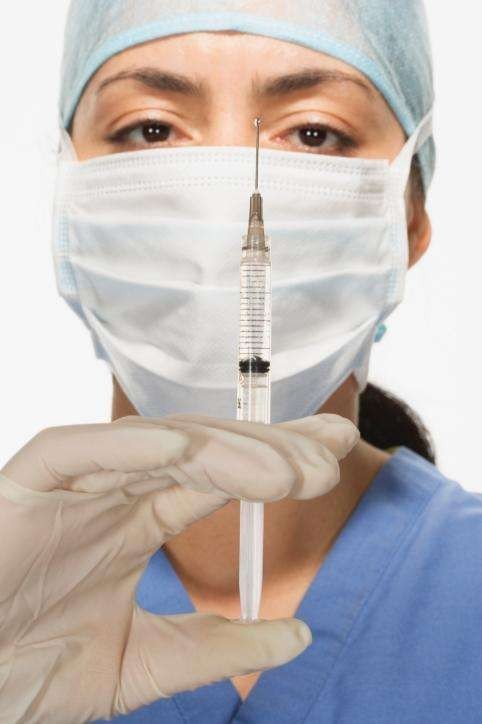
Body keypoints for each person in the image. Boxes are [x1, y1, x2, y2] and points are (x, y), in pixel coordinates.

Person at [1, 1, 481, 723]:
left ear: (407, 221)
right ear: (66, 204)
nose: (225, 207)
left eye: (314, 133)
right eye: (151, 129)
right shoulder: (13, 600)